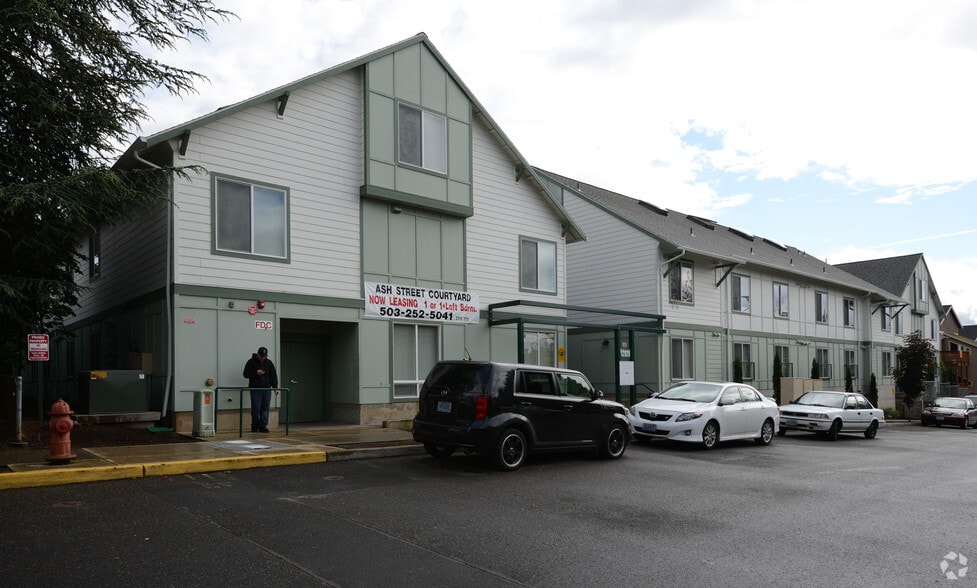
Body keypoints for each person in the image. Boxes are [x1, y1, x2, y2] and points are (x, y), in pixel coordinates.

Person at [242, 346, 278, 433]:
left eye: (264, 356)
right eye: (261, 356)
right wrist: (255, 372)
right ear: (258, 354)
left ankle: (263, 426)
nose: (263, 358)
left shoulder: (269, 363)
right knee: (256, 408)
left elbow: (273, 376)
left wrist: (275, 388)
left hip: (266, 389)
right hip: (255, 388)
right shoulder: (251, 362)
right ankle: (254, 425)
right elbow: (245, 374)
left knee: (265, 408)